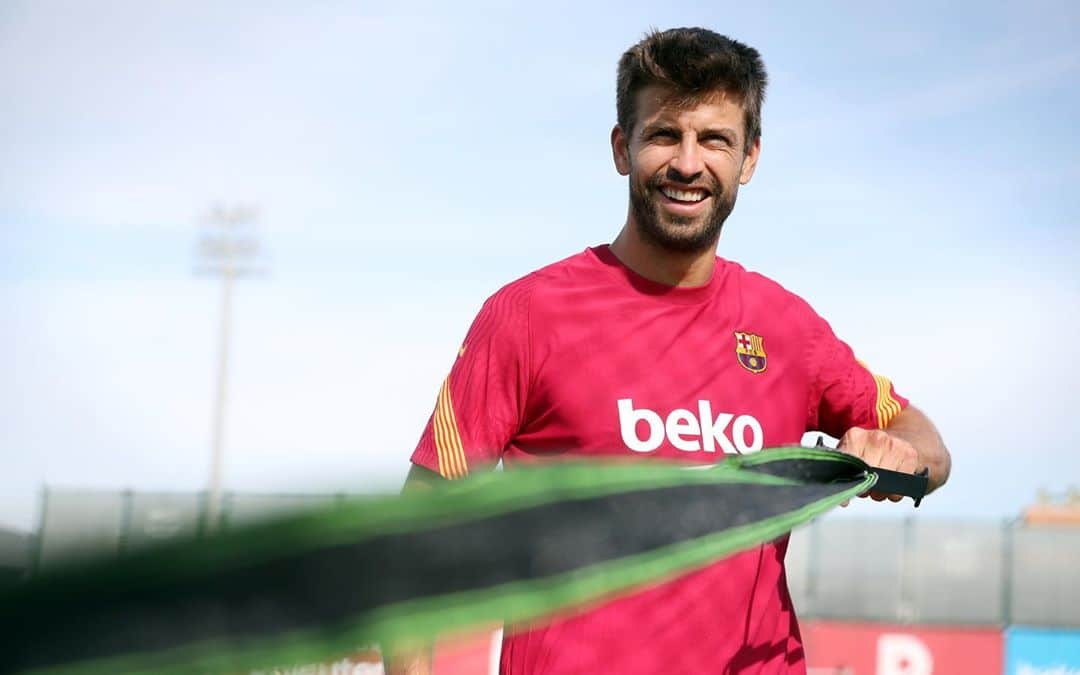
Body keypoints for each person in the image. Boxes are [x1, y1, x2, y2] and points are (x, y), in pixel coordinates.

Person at [389, 27, 950, 675]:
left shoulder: (789, 329)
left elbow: (928, 445)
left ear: (750, 158)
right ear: (621, 148)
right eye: (664, 135)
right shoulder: (526, 316)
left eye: (715, 139)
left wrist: (897, 455)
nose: (688, 163)